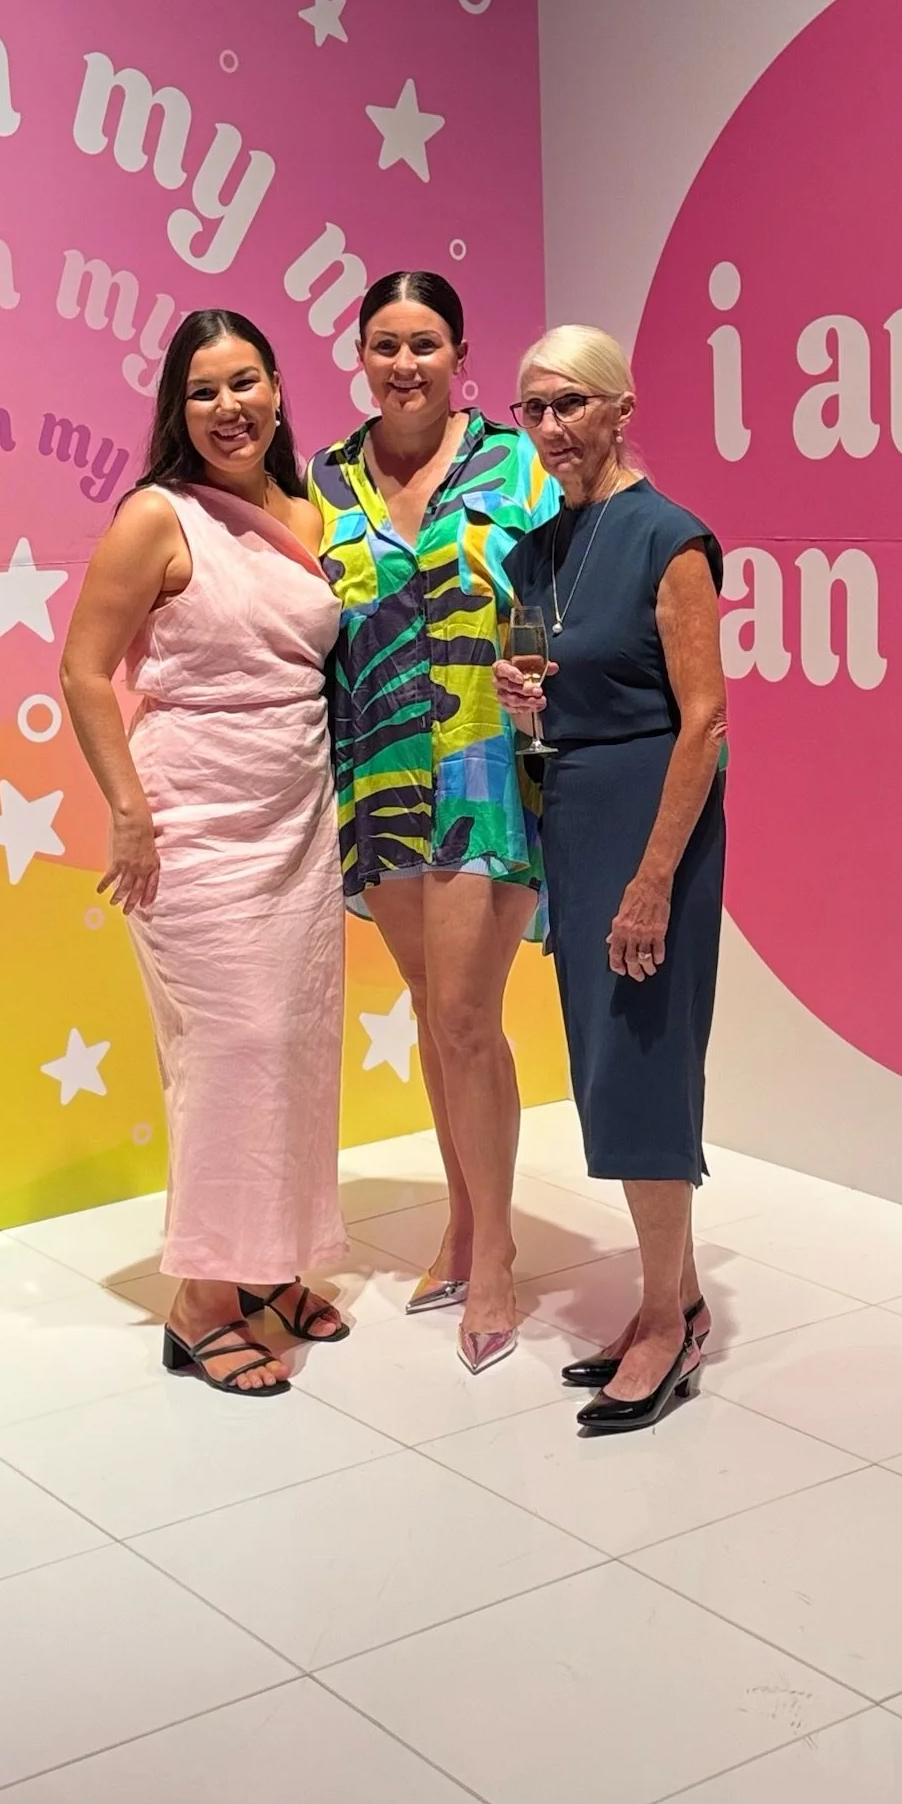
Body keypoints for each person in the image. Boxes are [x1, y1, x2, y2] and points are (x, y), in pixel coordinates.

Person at [60, 309, 351, 1395]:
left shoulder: (309, 513)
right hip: (193, 824)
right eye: (203, 392)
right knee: (233, 1051)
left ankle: (270, 1268)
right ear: (177, 411)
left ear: (278, 387)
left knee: (295, 1047)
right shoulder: (157, 515)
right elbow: (85, 671)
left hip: (297, 819)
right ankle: (201, 1303)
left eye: (246, 383)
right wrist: (129, 812)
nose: (229, 408)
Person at [309, 271, 559, 1373]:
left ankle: (496, 1250)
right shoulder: (320, 477)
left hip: (483, 768)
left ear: (460, 353)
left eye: (423, 343)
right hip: (377, 770)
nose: (402, 363)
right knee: (427, 1007)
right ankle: (461, 1219)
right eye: (382, 344)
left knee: (466, 1017)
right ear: (358, 354)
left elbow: (581, 583)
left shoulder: (518, 464)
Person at [496, 325, 727, 1436]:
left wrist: (651, 882)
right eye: (531, 409)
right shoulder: (538, 551)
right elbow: (554, 705)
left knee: (642, 1062)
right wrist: (522, 703)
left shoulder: (668, 539)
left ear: (622, 408)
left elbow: (706, 723)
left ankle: (667, 1325)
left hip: (651, 828)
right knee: (604, 1060)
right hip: (578, 823)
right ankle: (670, 1295)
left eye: (569, 406)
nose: (548, 429)